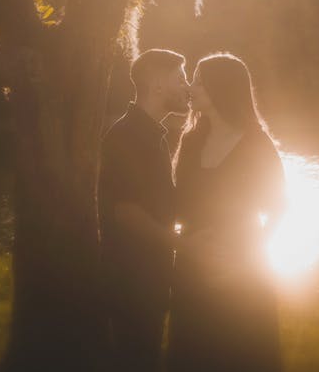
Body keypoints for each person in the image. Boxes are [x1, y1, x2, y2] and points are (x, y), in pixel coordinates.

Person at [169, 52, 286, 372]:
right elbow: (180, 206)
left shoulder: (256, 143)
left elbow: (278, 206)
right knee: (194, 352)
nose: (191, 87)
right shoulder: (191, 141)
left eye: (199, 81)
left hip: (245, 270)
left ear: (222, 88)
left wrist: (242, 255)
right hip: (193, 267)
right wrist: (191, 245)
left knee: (242, 352)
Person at [98, 48, 189, 372]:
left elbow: (160, 203)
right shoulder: (127, 135)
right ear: (157, 84)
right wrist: (183, 245)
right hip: (131, 279)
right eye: (181, 78)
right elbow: (126, 211)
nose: (187, 86)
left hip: (151, 276)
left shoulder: (156, 135)